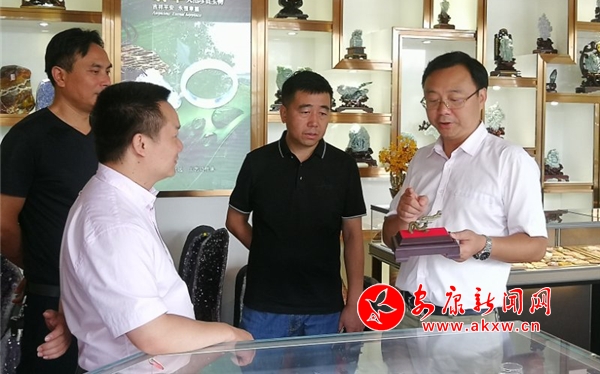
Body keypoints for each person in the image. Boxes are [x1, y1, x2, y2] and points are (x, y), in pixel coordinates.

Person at [59, 81, 253, 372]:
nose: (180, 145)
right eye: (174, 135)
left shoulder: (116, 201)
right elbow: (152, 334)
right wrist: (231, 333)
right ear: (141, 144)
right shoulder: (115, 224)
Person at [382, 51, 548, 328]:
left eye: (455, 99)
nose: (443, 110)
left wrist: (483, 245)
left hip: (467, 320)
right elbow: (390, 238)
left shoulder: (510, 160)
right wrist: (402, 218)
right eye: (433, 100)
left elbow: (536, 246)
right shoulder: (422, 159)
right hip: (405, 312)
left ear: (481, 97)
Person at [1, 28, 112, 373]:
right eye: (95, 71)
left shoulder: (112, 137)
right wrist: (36, 264)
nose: (106, 80)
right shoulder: (27, 138)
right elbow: (3, 223)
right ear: (60, 76)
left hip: (109, 294)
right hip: (52, 296)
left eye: (107, 71)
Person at [226, 70, 366, 340]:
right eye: (305, 111)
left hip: (324, 306)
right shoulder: (258, 162)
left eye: (323, 113)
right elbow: (235, 221)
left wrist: (354, 304)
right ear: (284, 113)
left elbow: (352, 235)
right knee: (258, 365)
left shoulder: (343, 166)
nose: (314, 122)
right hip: (265, 303)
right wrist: (269, 252)